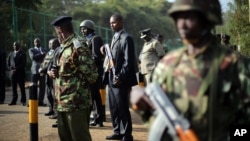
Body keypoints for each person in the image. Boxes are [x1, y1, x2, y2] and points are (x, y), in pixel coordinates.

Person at [131, 0, 250, 141]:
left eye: (189, 17)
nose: (182, 23)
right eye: (178, 17)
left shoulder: (236, 66)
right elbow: (158, 122)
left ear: (208, 19)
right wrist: (144, 107)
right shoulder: (168, 65)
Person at [50, 16, 97, 141]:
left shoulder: (78, 45)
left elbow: (92, 75)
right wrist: (54, 72)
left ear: (60, 30)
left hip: (76, 104)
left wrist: (76, 84)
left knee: (79, 138)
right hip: (62, 103)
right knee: (65, 138)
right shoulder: (63, 47)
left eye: (57, 32)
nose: (57, 35)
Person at [102, 13, 138, 141]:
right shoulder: (115, 37)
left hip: (121, 80)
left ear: (121, 23)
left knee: (122, 107)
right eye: (110, 23)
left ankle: (127, 134)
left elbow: (128, 61)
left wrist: (121, 77)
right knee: (114, 107)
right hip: (112, 77)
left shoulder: (127, 38)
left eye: (114, 22)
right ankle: (117, 131)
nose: (111, 25)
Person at [80, 19, 105, 127]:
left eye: (84, 28)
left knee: (94, 95)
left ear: (90, 28)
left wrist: (85, 65)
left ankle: (99, 119)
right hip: (88, 72)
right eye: (81, 29)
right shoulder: (86, 40)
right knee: (92, 96)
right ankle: (96, 118)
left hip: (93, 72)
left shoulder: (95, 39)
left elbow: (96, 57)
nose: (82, 31)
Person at [39, 38, 60, 116]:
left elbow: (50, 64)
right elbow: (44, 62)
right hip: (47, 75)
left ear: (57, 44)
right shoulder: (49, 52)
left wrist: (42, 70)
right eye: (49, 43)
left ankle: (56, 111)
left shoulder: (57, 51)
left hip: (53, 75)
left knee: (54, 93)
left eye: (52, 43)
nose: (50, 45)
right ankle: (50, 109)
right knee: (48, 93)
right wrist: (41, 67)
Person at [7, 42, 27, 106]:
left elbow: (23, 64)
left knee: (22, 88)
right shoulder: (11, 54)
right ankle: (14, 101)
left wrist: (16, 69)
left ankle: (23, 101)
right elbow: (8, 63)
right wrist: (11, 69)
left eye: (16, 45)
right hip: (13, 74)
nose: (15, 46)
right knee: (14, 88)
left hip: (20, 74)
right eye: (14, 45)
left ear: (19, 46)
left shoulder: (23, 54)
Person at [28, 37, 47, 106]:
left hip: (42, 70)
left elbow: (46, 58)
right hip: (34, 70)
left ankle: (40, 101)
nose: (36, 43)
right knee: (33, 86)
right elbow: (33, 57)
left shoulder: (45, 49)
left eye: (38, 41)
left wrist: (39, 55)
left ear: (40, 42)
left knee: (42, 86)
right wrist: (42, 54)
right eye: (35, 42)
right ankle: (33, 101)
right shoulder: (31, 50)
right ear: (34, 43)